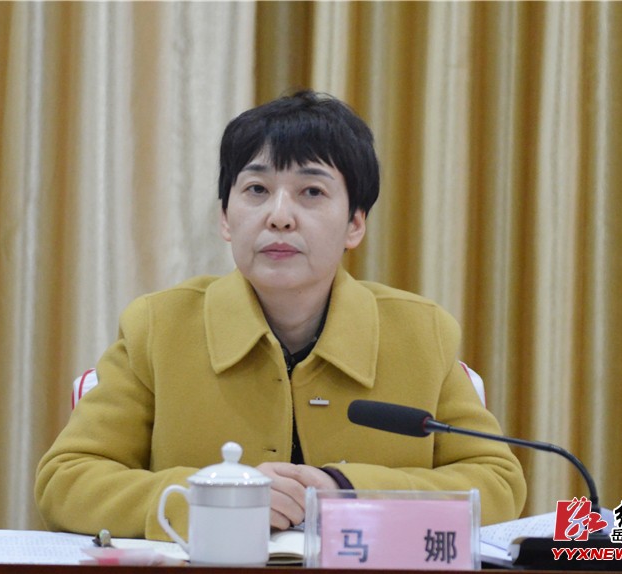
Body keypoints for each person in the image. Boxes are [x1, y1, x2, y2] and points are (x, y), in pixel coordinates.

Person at [35, 90, 527, 541]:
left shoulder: (421, 332)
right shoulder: (158, 328)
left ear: (355, 224)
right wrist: (212, 500)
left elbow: (497, 481)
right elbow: (67, 480)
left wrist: (347, 492)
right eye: (256, 189)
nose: (279, 216)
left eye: (311, 192)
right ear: (226, 218)